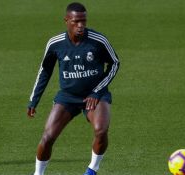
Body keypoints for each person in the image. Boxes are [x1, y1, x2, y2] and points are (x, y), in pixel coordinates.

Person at [27, 2, 120, 175]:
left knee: (101, 130)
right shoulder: (55, 43)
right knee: (47, 138)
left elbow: (115, 63)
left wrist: (97, 91)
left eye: (83, 21)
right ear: (66, 20)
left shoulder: (98, 40)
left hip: (95, 95)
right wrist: (34, 99)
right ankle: (38, 174)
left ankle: (92, 169)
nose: (81, 26)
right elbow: (44, 71)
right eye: (76, 21)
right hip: (67, 96)